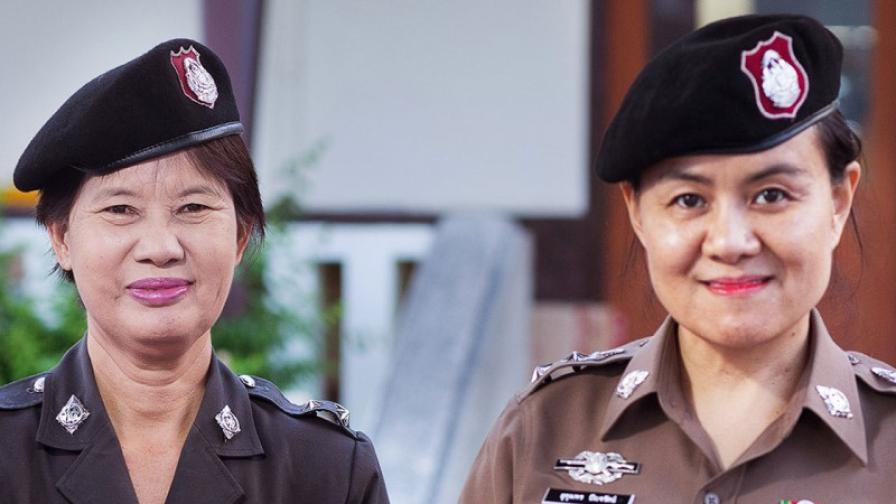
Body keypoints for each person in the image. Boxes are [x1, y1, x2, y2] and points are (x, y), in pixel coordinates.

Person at [460, 14, 896, 504]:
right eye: (689, 200)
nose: (730, 243)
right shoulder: (543, 430)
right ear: (638, 213)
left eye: (772, 195)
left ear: (839, 202)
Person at [0, 39, 389, 503]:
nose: (161, 248)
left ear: (241, 237)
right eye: (122, 208)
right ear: (62, 239)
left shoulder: (324, 468)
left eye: (193, 207)